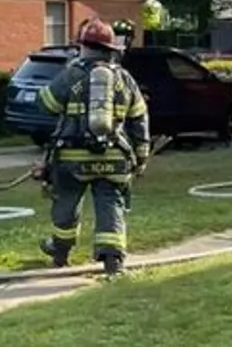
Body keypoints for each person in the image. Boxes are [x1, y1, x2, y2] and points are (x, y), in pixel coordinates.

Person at [36, 19, 151, 275]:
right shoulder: (124, 79)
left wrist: (65, 79)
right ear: (110, 49)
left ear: (83, 47)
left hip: (72, 158)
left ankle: (60, 253)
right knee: (111, 203)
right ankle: (113, 261)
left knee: (66, 202)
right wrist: (141, 158)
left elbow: (46, 105)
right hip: (114, 156)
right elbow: (139, 120)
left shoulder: (73, 74)